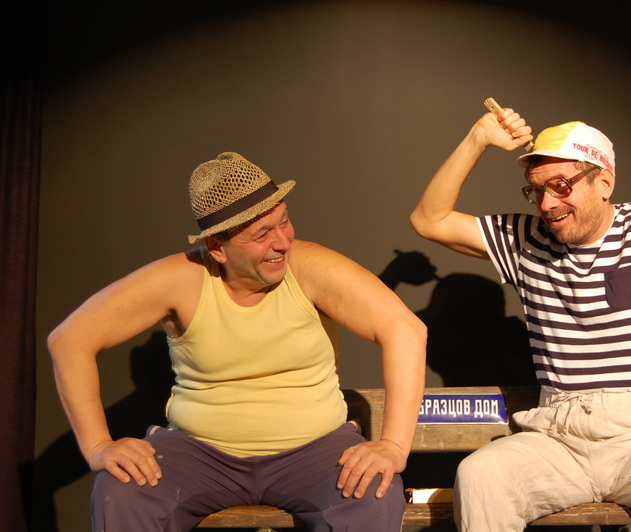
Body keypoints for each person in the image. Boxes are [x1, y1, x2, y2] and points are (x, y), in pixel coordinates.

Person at [410, 106, 631, 531]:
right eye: (536, 190)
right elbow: (429, 219)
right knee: (482, 474)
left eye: (561, 186)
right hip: (556, 441)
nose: (547, 203)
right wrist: (478, 138)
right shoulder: (527, 241)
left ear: (604, 182)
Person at [48, 152, 427, 532]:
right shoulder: (182, 278)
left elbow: (405, 329)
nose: (283, 242)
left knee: (371, 492)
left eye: (284, 221)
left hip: (314, 451)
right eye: (262, 234)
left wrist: (393, 446)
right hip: (198, 454)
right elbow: (69, 339)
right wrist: (98, 446)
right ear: (217, 247)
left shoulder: (310, 267)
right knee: (121, 491)